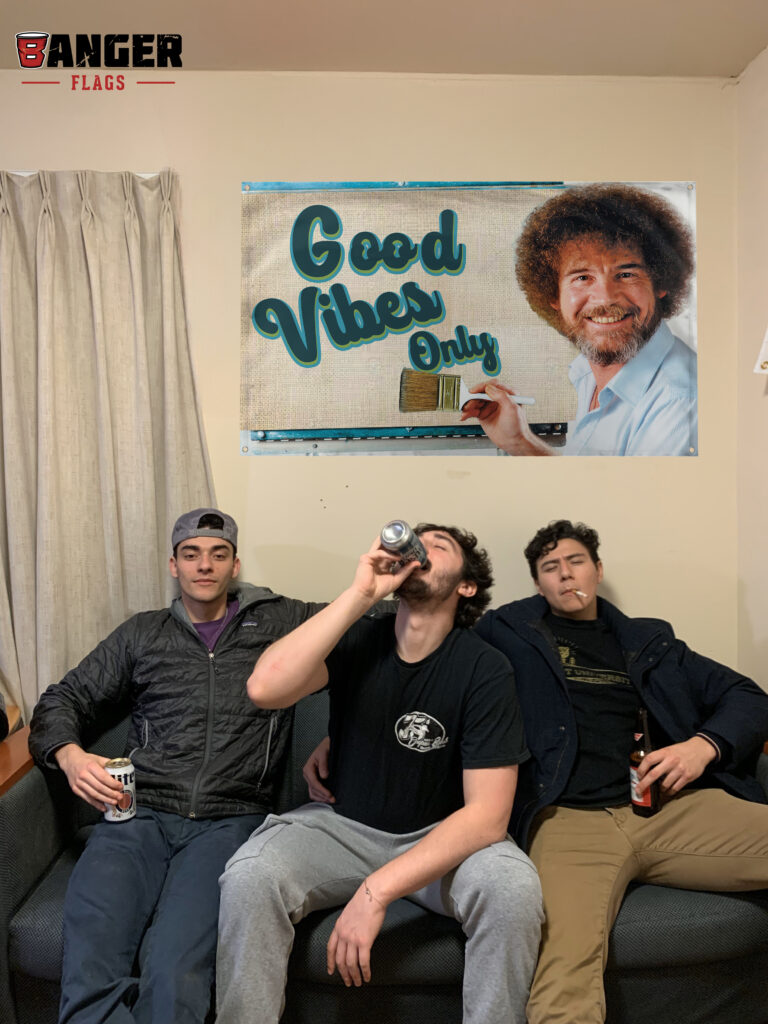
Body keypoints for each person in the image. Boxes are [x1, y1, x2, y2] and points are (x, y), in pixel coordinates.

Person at [215, 524, 543, 1024]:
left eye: (439, 546)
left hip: (441, 841)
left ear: (466, 586)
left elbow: (487, 817)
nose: (421, 549)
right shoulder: (362, 636)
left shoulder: (485, 668)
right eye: (417, 542)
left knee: (513, 889)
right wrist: (360, 594)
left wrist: (377, 891)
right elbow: (264, 689)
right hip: (341, 829)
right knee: (249, 875)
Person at [28, 508, 324, 1024]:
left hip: (229, 821)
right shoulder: (143, 633)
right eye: (191, 554)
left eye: (218, 554)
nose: (204, 565)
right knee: (91, 962)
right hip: (135, 814)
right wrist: (69, 756)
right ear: (174, 565)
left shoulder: (281, 621)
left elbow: (373, 630)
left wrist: (343, 732)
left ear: (235, 565)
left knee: (176, 973)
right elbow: (62, 700)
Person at [472, 519, 768, 1023]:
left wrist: (702, 747)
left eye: (576, 561)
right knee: (564, 981)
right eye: (550, 567)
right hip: (568, 821)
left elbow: (748, 696)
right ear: (539, 584)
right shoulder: (507, 633)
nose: (566, 574)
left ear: (598, 569)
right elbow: (437, 670)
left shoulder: (649, 642)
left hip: (669, 807)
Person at [463, 183, 697, 455]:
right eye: (583, 277)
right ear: (553, 295)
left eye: (626, 274)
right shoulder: (587, 372)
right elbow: (595, 480)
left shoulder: (680, 403)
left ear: (661, 283)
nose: (605, 299)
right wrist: (520, 441)